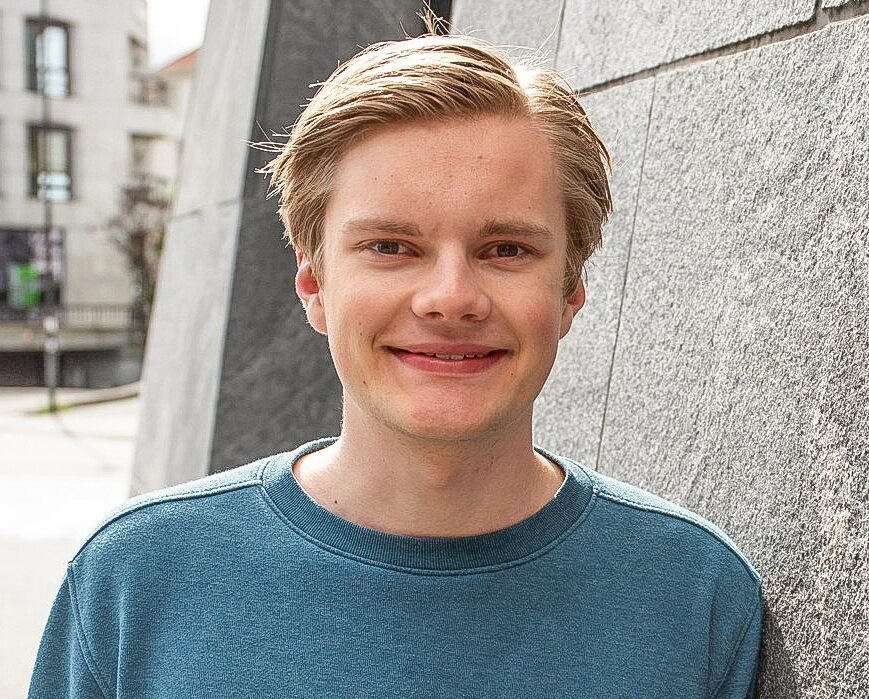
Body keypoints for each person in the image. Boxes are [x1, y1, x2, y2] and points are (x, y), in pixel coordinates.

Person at [29, 32, 762, 698]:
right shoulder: (134, 579)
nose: (451, 298)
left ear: (569, 290)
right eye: (390, 247)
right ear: (314, 284)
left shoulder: (696, 596)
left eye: (506, 249)